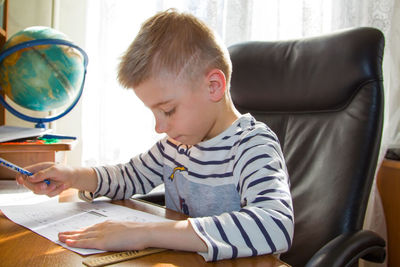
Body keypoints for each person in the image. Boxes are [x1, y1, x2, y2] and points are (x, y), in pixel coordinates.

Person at [16, 9, 294, 262]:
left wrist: (147, 232)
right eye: (154, 113)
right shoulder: (175, 146)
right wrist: (73, 176)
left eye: (168, 110)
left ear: (213, 86)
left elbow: (275, 225)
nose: (159, 128)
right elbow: (128, 176)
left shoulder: (252, 144)